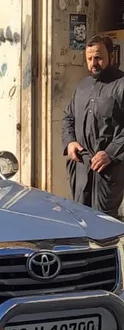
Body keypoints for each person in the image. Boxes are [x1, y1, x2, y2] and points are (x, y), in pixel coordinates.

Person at [62, 34, 124, 219]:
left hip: (107, 171)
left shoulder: (120, 85)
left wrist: (110, 153)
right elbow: (68, 117)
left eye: (98, 57)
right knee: (80, 218)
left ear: (111, 57)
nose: (93, 63)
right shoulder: (82, 86)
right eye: (89, 59)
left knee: (104, 222)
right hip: (81, 167)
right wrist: (70, 142)